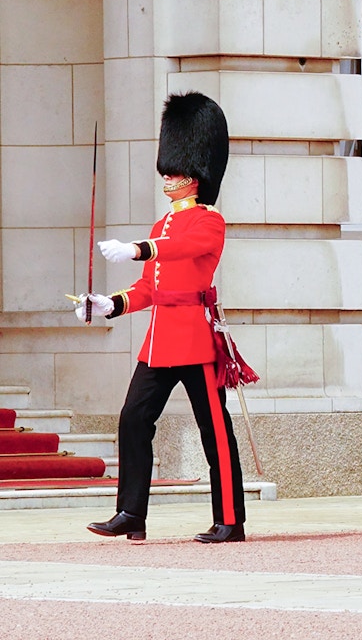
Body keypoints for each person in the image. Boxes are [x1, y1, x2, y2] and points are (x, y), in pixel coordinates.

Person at [81, 92, 246, 543]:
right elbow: (149, 290)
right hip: (160, 341)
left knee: (214, 432)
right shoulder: (161, 225)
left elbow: (183, 251)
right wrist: (108, 303)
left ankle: (230, 519)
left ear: (194, 177)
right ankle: (131, 512)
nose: (167, 177)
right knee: (133, 419)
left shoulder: (210, 222)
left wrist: (138, 249)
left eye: (174, 171)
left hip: (195, 338)